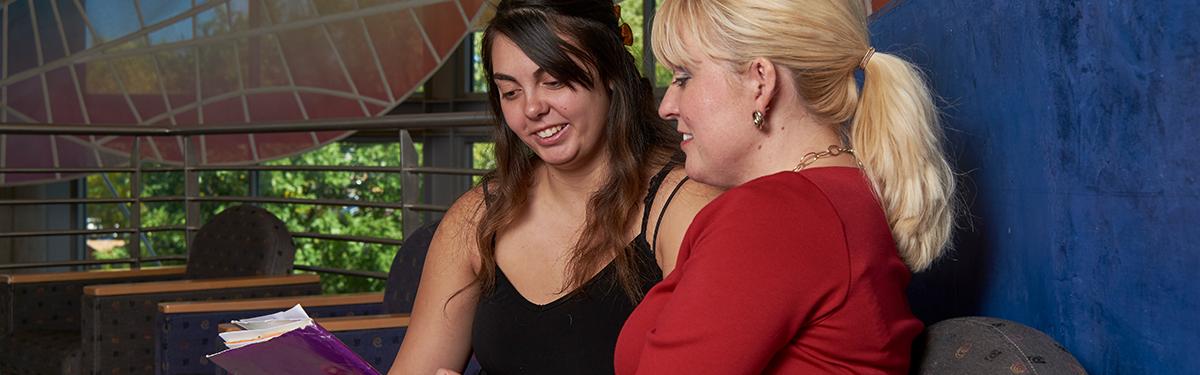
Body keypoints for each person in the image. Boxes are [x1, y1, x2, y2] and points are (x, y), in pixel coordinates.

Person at [614, 0, 958, 373]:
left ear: (760, 81)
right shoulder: (833, 194)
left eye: (684, 78)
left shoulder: (775, 215)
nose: (667, 106)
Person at [388, 0, 720, 374]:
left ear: (610, 72)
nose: (532, 109)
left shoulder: (686, 208)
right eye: (510, 92)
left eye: (554, 82)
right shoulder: (477, 216)